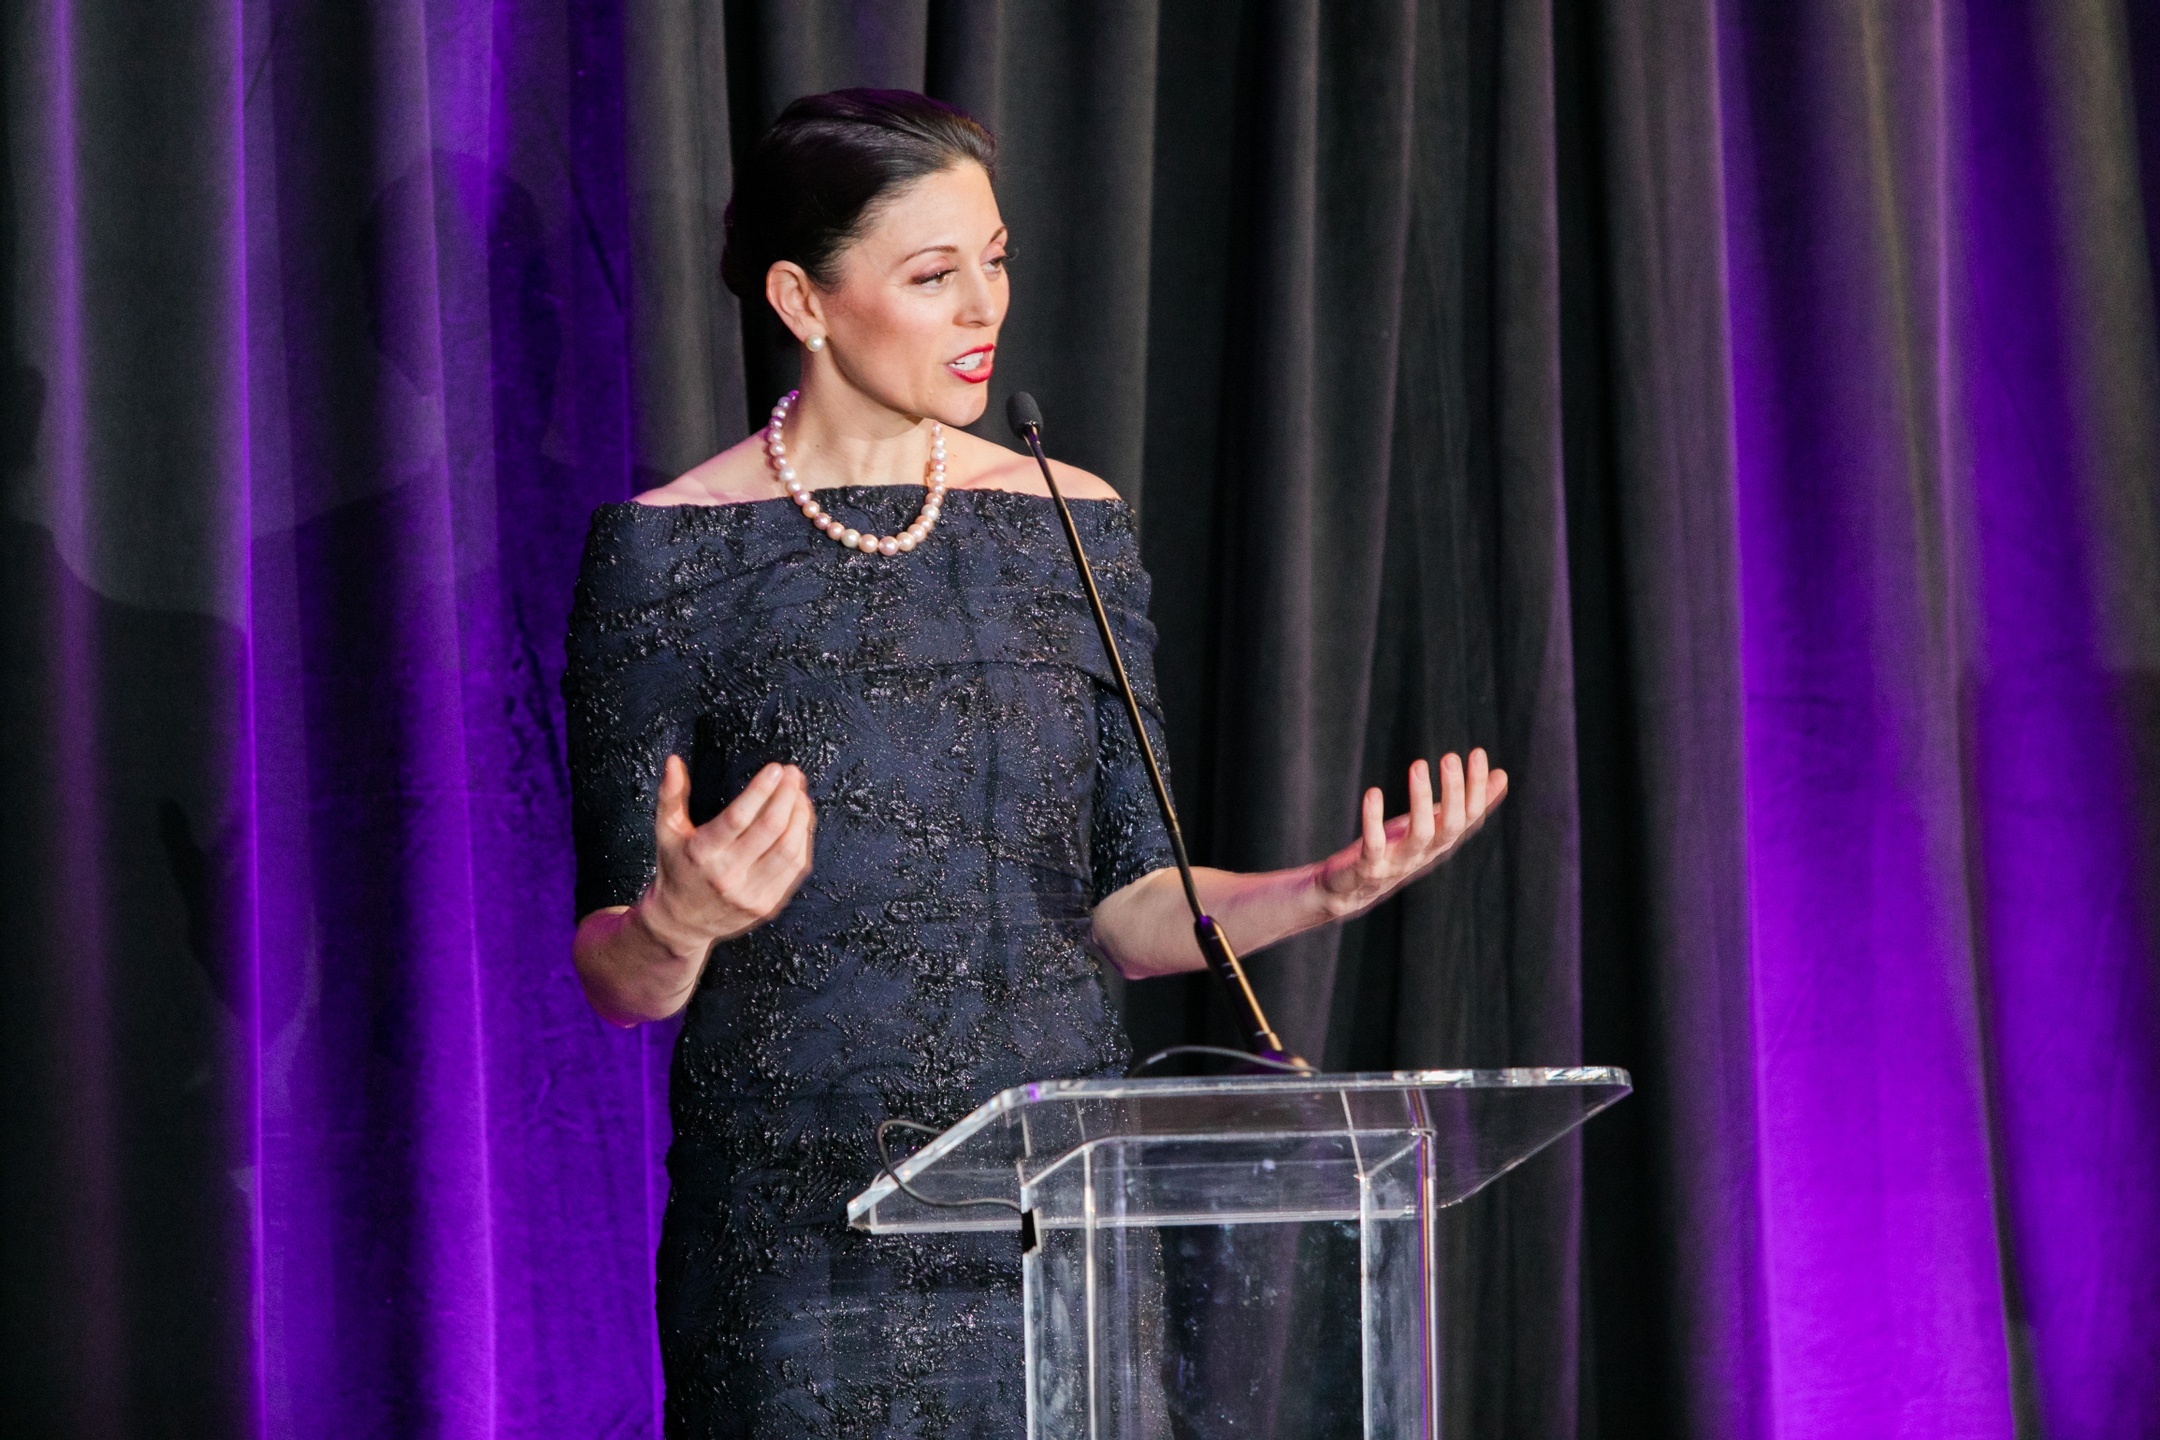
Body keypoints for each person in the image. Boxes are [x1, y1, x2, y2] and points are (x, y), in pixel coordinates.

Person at [563, 88, 1508, 1440]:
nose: (983, 309)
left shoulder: (1069, 521)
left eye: (995, 261)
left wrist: (1323, 890)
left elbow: (1132, 908)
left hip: (1055, 1224)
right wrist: (680, 920)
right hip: (798, 1245)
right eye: (932, 275)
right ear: (802, 298)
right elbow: (617, 977)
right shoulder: (665, 553)